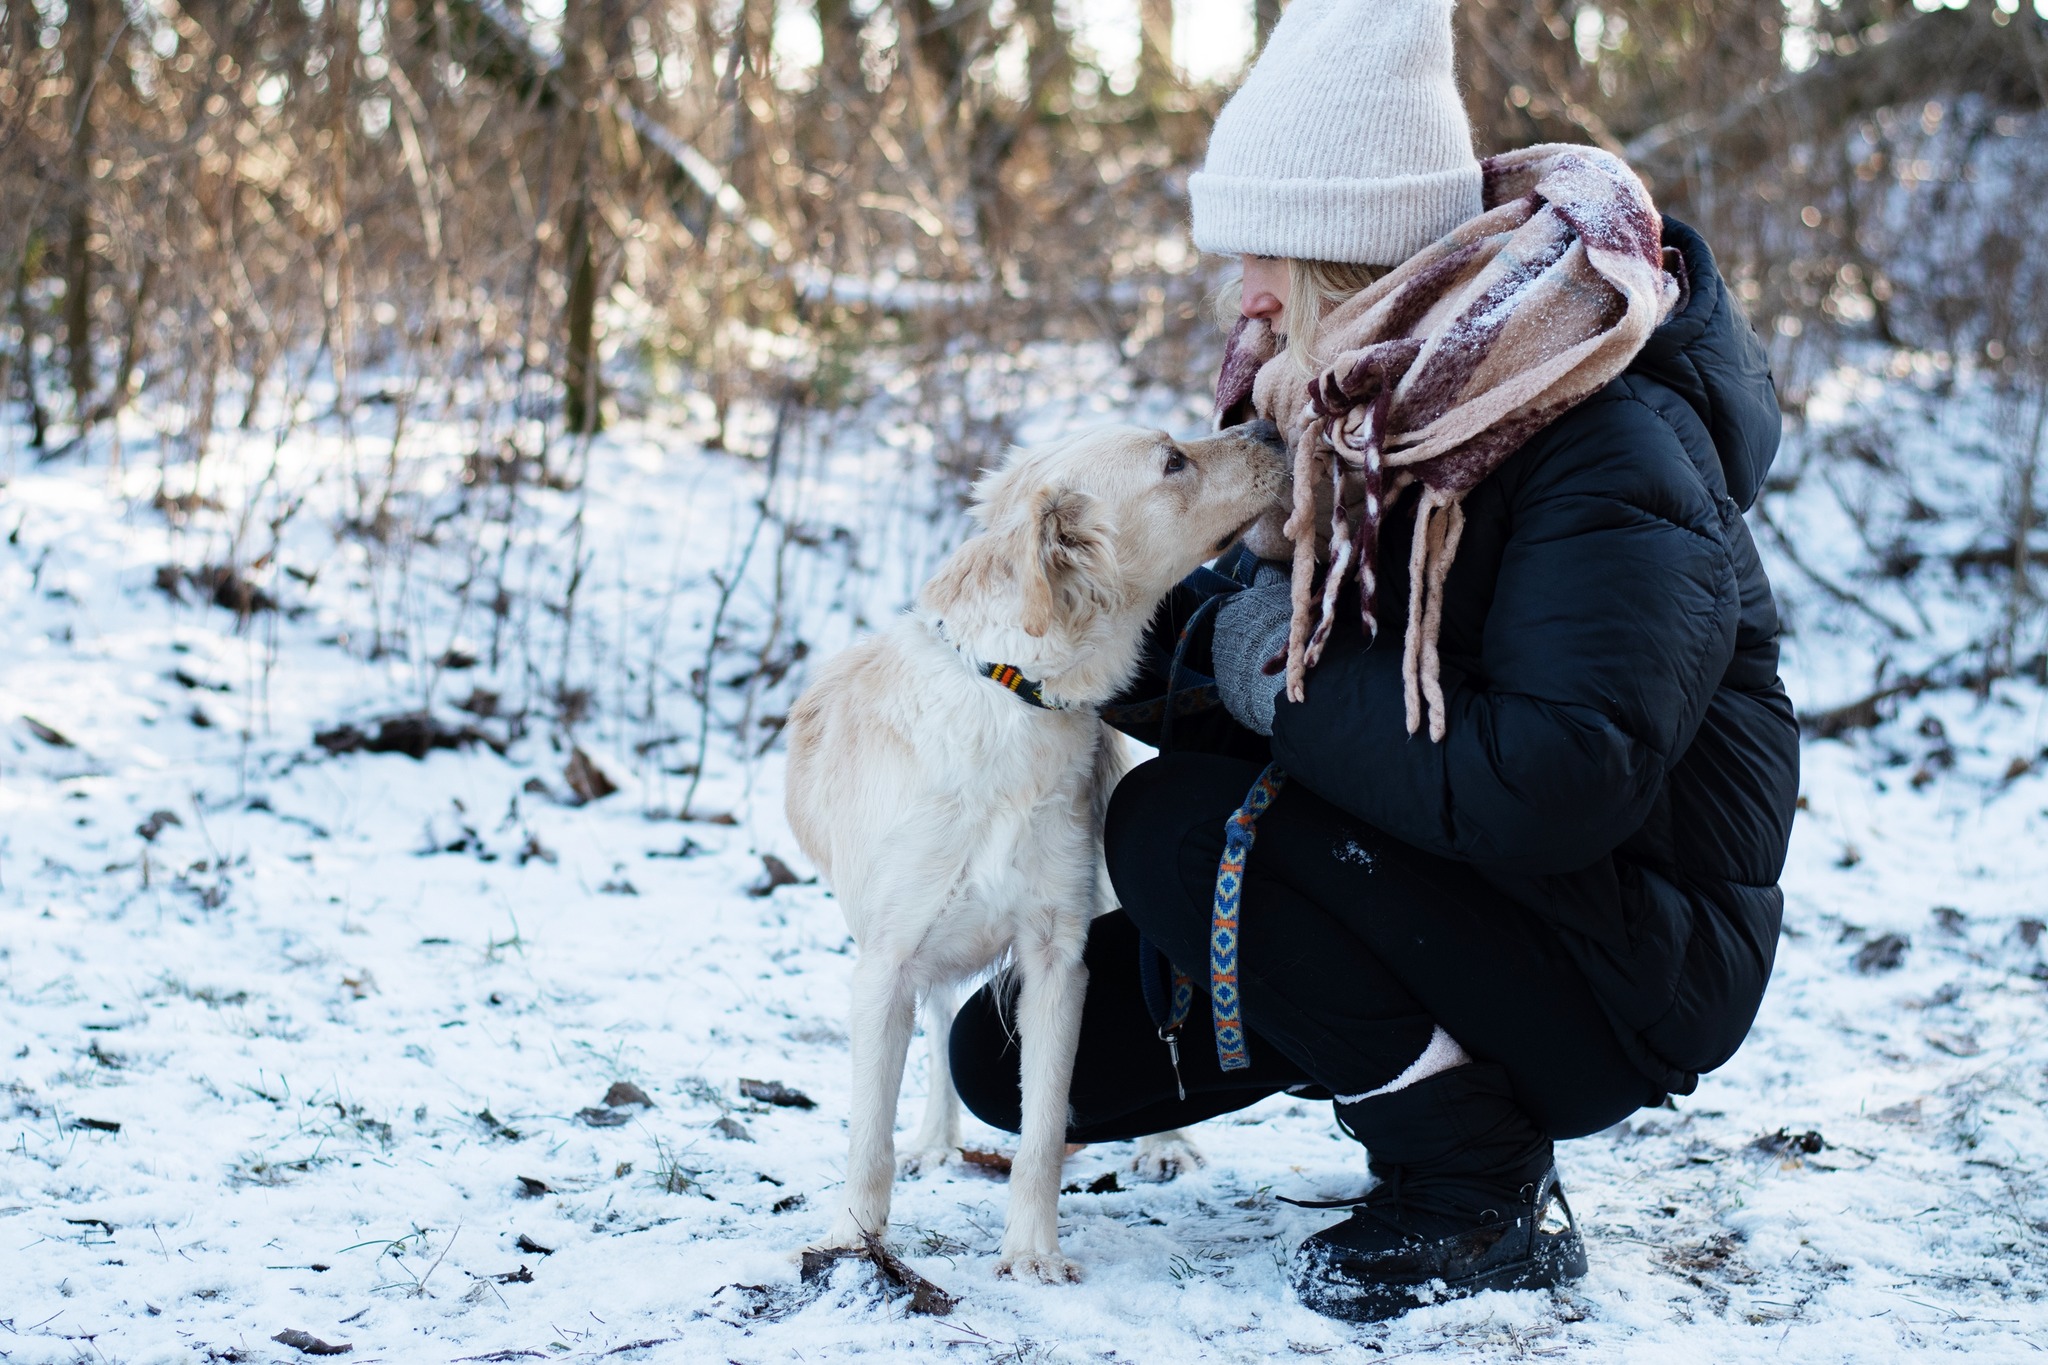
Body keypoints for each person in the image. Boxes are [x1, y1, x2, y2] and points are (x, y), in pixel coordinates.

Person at [948, 0, 1799, 1322]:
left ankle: (1473, 1183)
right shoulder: (1365, 421)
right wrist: (1034, 631)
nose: (1246, 297)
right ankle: (1398, 1041)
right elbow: (1257, 664)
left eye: (1267, 258)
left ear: (1350, 252)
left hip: (1636, 958)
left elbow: (1553, 782)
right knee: (1009, 1061)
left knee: (1178, 827)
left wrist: (1254, 670)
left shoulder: (1603, 438)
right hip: (1473, 884)